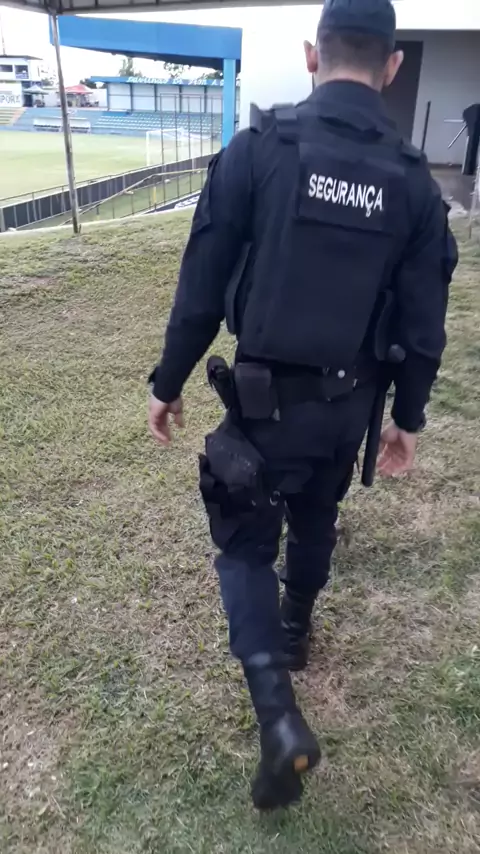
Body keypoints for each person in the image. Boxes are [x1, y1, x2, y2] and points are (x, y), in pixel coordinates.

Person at [148, 0, 458, 811]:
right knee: (318, 509)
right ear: (392, 67)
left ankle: (280, 720)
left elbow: (201, 283)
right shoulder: (414, 182)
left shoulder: (259, 149)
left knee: (244, 544)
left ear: (313, 55)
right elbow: (424, 323)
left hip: (264, 407)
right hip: (349, 406)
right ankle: (295, 627)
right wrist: (409, 419)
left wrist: (168, 381)